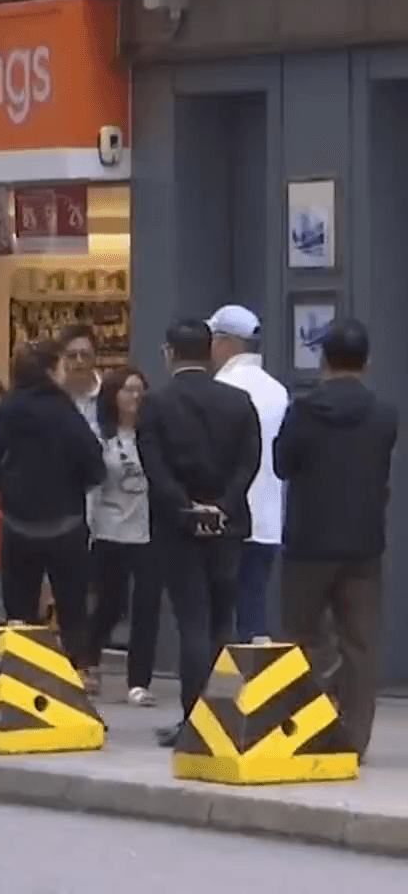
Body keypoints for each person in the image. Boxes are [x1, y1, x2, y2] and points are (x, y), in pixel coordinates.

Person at [136, 319, 263, 747]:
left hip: (179, 528)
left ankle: (195, 717)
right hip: (229, 527)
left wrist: (187, 509)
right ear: (210, 352)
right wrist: (224, 505)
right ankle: (224, 714)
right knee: (221, 622)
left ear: (170, 352)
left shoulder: (156, 404)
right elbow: (250, 461)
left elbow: (154, 466)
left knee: (191, 621)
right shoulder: (238, 402)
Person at [274, 318, 396, 760]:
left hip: (308, 543)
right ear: (367, 363)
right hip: (364, 544)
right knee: (360, 643)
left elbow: (282, 465)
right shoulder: (384, 414)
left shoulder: (304, 410)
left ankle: (309, 726)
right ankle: (354, 740)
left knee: (303, 636)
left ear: (323, 360)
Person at [0, 341, 104, 670]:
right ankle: (77, 672)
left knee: (19, 610)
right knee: (72, 608)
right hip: (67, 522)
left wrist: (5, 483)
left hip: (19, 523)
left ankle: (20, 673)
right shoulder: (65, 411)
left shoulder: (8, 410)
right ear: (50, 371)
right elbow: (95, 466)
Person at [207, 305, 289, 644]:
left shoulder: (221, 388)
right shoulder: (278, 391)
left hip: (226, 515)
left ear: (226, 343)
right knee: (253, 606)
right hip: (268, 518)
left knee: (218, 615)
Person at [87, 366, 160, 706]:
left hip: (147, 531)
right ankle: (88, 655)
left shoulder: (153, 435)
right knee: (111, 604)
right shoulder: (101, 436)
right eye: (128, 390)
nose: (135, 397)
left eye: (139, 390)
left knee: (147, 605)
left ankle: (139, 681)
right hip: (108, 529)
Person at [59, 323, 101, 424]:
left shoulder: (110, 395)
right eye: (72, 355)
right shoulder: (52, 397)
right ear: (61, 359)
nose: (79, 360)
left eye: (85, 355)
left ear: (95, 357)